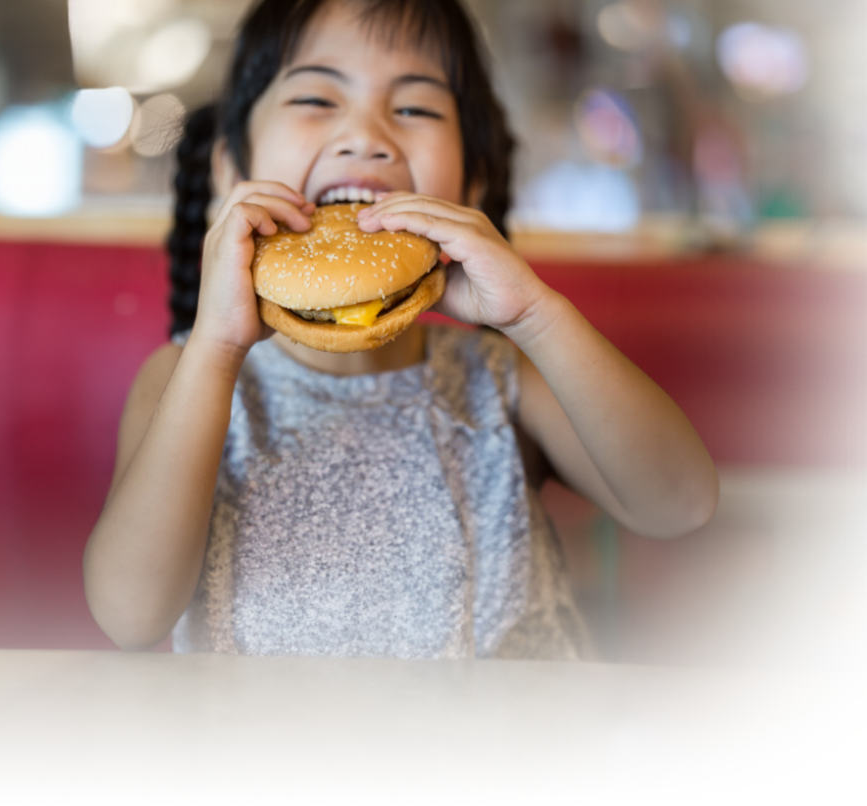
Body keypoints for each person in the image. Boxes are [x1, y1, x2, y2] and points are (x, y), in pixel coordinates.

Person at [82, 0, 718, 658]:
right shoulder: (187, 378)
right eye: (315, 99)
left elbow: (678, 504)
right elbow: (130, 614)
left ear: (471, 187)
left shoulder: (500, 375)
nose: (367, 135)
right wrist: (214, 351)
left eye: (414, 108)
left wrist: (533, 316)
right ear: (229, 172)